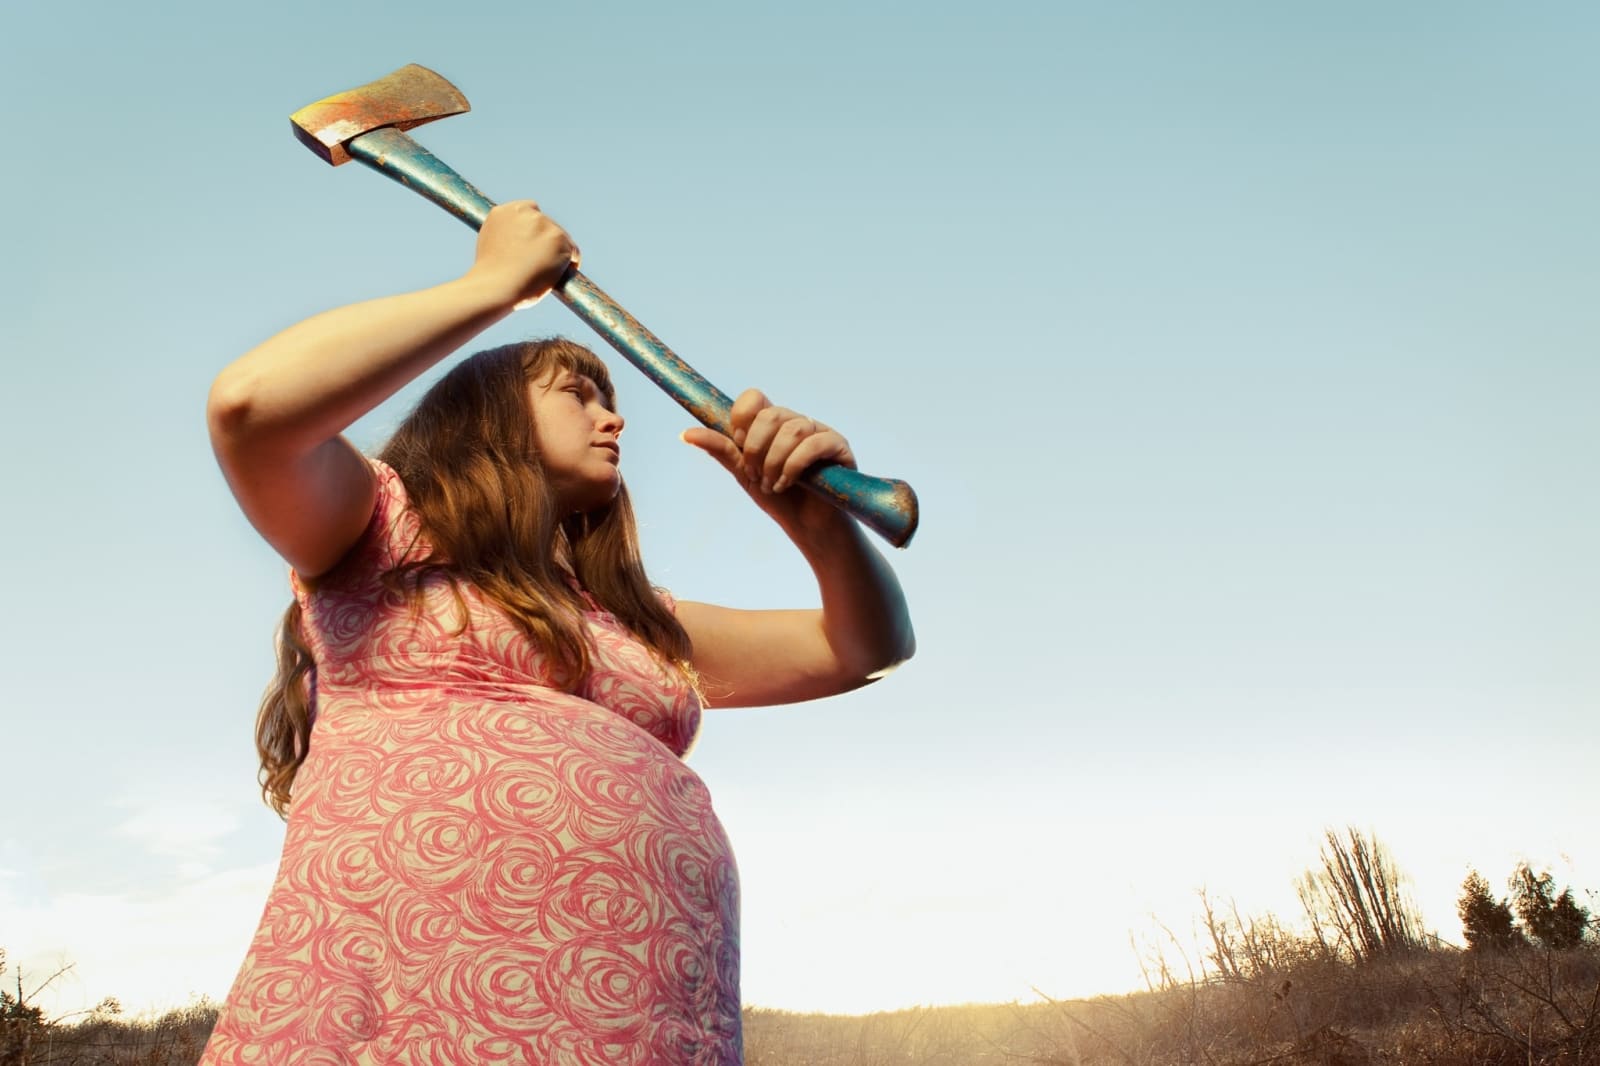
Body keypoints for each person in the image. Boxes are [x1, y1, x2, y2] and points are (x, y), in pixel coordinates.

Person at [196, 200, 914, 1066]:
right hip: (401, 1018)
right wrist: (492, 287)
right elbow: (249, 410)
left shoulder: (634, 618)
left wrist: (815, 519)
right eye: (578, 394)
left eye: (613, 402)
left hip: (637, 1021)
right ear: (484, 420)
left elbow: (864, 647)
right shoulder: (379, 524)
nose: (613, 419)